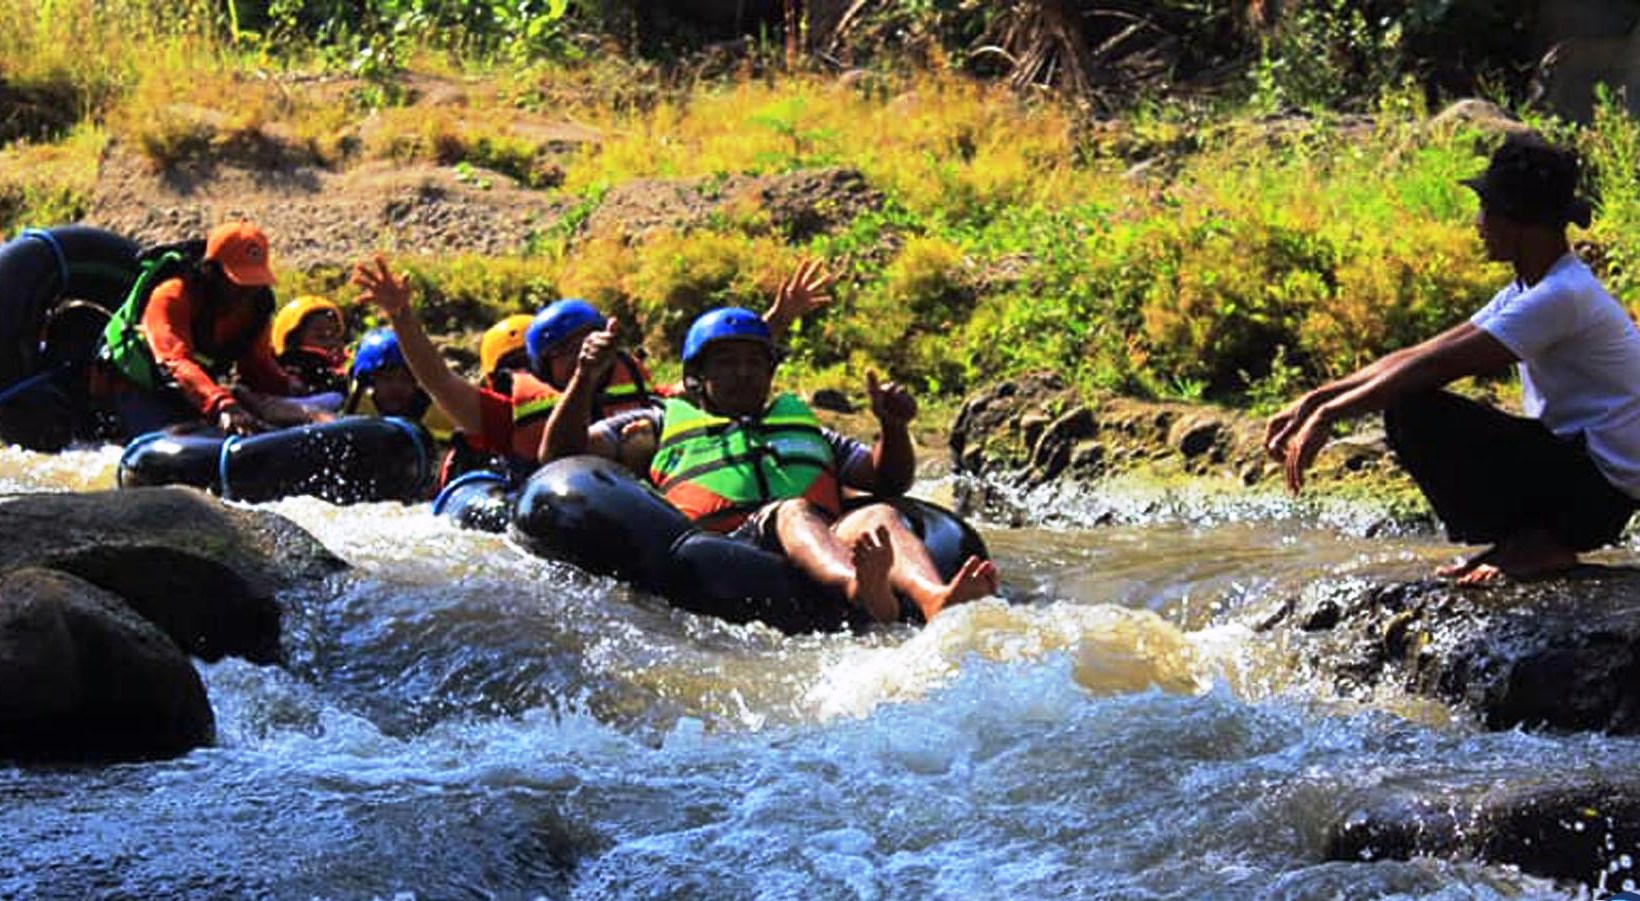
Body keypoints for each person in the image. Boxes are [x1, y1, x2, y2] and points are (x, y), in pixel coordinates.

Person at [1265, 133, 1640, 583]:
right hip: (1579, 477)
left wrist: (1329, 414)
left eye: (1486, 211)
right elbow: (1424, 352)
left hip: (1597, 492)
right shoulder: (1534, 288)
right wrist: (1317, 401)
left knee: (1413, 407)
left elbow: (1438, 368)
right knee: (1408, 395)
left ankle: (1542, 544)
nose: (1478, 224)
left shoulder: (1562, 295)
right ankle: (1521, 539)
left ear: (1516, 220)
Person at [541, 306, 1000, 623]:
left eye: (755, 363)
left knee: (878, 515)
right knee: (793, 510)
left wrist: (893, 428)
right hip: (724, 553)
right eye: (727, 363)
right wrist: (585, 378)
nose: (744, 372)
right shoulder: (655, 424)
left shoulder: (808, 430)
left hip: (823, 540)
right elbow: (561, 457)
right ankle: (858, 587)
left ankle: (933, 598)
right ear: (696, 377)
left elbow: (887, 480)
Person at [349, 255, 836, 476]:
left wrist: (773, 322)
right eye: (570, 348)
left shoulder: (647, 399)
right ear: (546, 367)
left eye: (593, 339)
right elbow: (437, 379)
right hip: (553, 500)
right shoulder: (508, 411)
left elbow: (724, 377)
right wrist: (403, 316)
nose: (589, 351)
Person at [93, 220, 325, 437]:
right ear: (211, 272)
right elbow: (175, 361)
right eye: (238, 283)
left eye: (254, 284)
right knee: (183, 436)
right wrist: (222, 404)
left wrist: (297, 389)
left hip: (196, 389)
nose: (246, 294)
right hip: (137, 384)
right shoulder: (172, 294)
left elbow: (257, 367)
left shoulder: (255, 305)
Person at [341, 328, 457, 442]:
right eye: (387, 379)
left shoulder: (439, 416)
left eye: (406, 380)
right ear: (370, 381)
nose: (397, 387)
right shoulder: (354, 411)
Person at [271, 295, 350, 395]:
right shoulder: (287, 376)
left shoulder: (347, 369)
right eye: (320, 336)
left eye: (335, 335)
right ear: (293, 342)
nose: (332, 343)